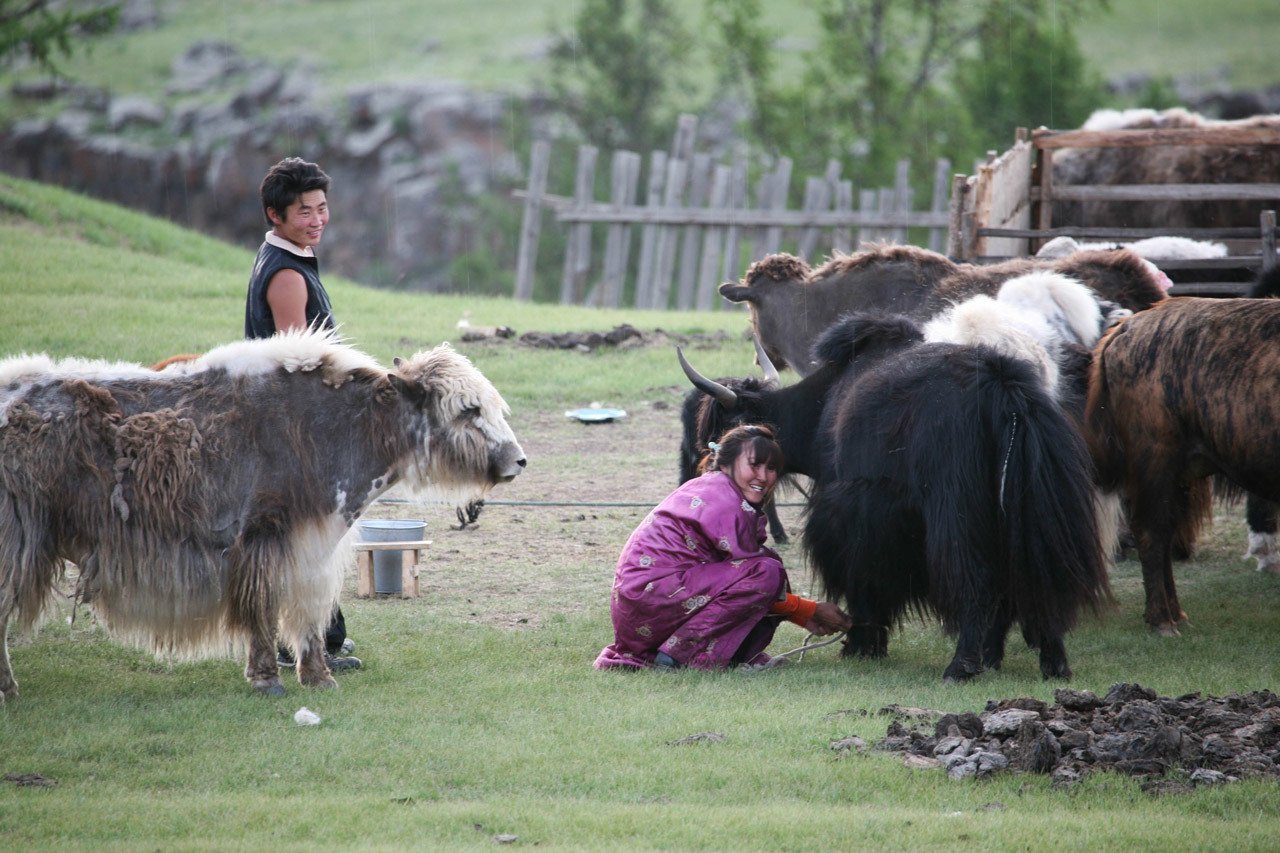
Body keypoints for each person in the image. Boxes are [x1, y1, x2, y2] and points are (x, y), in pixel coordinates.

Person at [594, 424, 851, 671]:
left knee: (766, 564)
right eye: (755, 465)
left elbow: (744, 580)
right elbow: (757, 582)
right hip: (653, 601)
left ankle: (698, 653)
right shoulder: (725, 500)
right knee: (767, 571)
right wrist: (808, 611)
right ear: (726, 463)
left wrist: (804, 615)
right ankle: (678, 658)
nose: (763, 476)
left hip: (641, 609)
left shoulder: (713, 487)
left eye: (771, 468)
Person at [244, 156, 361, 673]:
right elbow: (298, 367)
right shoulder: (288, 276)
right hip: (294, 430)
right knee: (308, 537)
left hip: (290, 425)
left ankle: (326, 638)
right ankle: (311, 644)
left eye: (322, 208)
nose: (316, 220)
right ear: (275, 214)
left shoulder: (288, 257)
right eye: (304, 211)